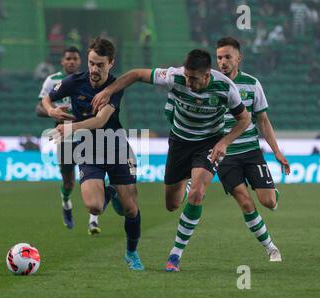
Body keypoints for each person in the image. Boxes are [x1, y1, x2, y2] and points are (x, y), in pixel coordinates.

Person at [91, 49, 251, 272]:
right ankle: (185, 183)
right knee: (172, 205)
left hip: (208, 143)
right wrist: (108, 91)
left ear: (207, 76)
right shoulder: (174, 76)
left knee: (197, 193)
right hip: (179, 143)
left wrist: (224, 142)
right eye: (187, 76)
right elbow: (136, 74)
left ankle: (175, 255)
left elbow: (244, 119)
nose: (188, 82)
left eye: (193, 79)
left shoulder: (226, 88)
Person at [43, 37, 144, 270]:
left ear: (111, 63)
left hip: (116, 147)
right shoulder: (75, 81)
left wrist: (70, 128)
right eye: (91, 63)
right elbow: (48, 96)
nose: (94, 69)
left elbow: (100, 121)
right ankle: (112, 191)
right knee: (94, 207)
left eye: (100, 64)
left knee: (130, 209)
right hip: (88, 148)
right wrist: (52, 110)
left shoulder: (115, 87)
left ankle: (132, 253)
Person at [216, 37, 290, 262]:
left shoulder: (252, 84)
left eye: (228, 57)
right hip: (225, 155)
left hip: (251, 152)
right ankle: (271, 248)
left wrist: (276, 151)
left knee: (268, 202)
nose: (223, 62)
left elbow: (263, 121)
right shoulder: (210, 84)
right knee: (246, 202)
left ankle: (271, 193)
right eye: (219, 57)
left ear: (239, 58)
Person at [36, 47, 85, 231]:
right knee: (69, 181)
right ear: (62, 62)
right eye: (68, 58)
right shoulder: (52, 81)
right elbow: (38, 108)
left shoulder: (86, 80)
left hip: (87, 133)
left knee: (94, 174)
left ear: (79, 61)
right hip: (63, 136)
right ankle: (66, 202)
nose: (71, 61)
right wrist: (53, 113)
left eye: (74, 58)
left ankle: (93, 219)